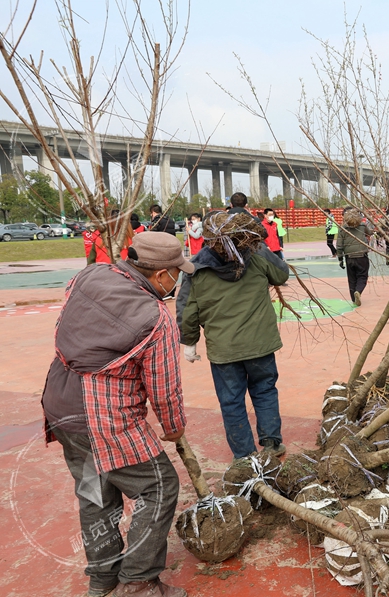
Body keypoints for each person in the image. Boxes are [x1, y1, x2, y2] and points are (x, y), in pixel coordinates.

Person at [42, 232, 193, 597]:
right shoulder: (156, 317)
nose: (178, 280)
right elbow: (164, 388)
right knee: (159, 486)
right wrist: (173, 427)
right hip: (102, 413)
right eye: (177, 273)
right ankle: (138, 581)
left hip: (60, 401)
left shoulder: (91, 274)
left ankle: (103, 579)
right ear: (161, 275)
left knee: (95, 491)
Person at [176, 211, 289, 459]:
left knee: (231, 401)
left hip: (224, 349)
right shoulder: (257, 256)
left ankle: (245, 456)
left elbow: (188, 309)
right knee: (265, 390)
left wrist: (189, 342)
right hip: (259, 343)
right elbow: (281, 274)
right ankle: (271, 443)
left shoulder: (196, 268)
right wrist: (260, 247)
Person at [337, 208, 372, 306]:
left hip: (349, 257)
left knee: (352, 278)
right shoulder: (362, 226)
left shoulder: (342, 229)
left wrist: (340, 259)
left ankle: (353, 299)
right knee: (362, 276)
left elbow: (339, 246)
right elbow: (369, 233)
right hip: (361, 255)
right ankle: (358, 291)